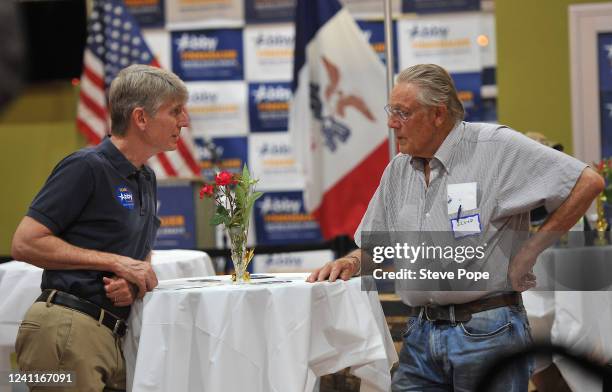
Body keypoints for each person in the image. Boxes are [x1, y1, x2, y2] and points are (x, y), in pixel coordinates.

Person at [307, 64, 605, 391]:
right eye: (391, 111)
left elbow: (587, 182)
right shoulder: (398, 170)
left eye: (403, 113)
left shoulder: (495, 148)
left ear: (438, 114)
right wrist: (350, 262)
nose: (392, 123)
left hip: (488, 332)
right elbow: (378, 246)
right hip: (421, 332)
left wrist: (530, 251)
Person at [11, 64, 189, 391]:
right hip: (65, 329)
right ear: (140, 118)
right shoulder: (85, 167)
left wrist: (133, 286)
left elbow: (139, 259)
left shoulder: (146, 178)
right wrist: (115, 262)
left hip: (113, 337)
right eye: (175, 111)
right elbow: (24, 243)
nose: (185, 121)